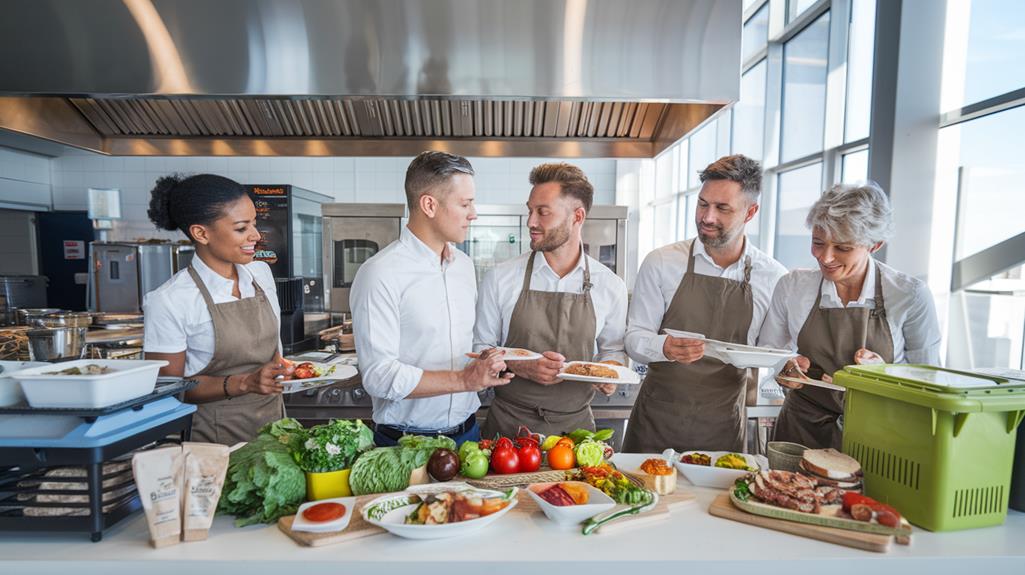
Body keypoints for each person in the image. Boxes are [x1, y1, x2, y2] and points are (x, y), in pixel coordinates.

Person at [623, 155, 788, 453]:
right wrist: (664, 347)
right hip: (656, 422)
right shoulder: (662, 262)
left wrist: (789, 366)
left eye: (722, 208)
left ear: (751, 212)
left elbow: (772, 354)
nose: (707, 217)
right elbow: (634, 338)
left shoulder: (774, 277)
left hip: (722, 426)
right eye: (702, 204)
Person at [759, 182, 941, 450]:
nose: (826, 257)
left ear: (874, 245)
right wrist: (784, 367)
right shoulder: (793, 286)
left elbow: (930, 381)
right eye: (818, 243)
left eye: (843, 248)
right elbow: (769, 350)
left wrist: (884, 376)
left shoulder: (909, 295)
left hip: (879, 436)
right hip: (801, 429)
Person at [350, 151, 512, 447]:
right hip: (403, 444)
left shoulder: (463, 266)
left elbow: (468, 347)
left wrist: (494, 361)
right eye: (465, 204)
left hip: (468, 437)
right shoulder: (379, 273)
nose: (473, 214)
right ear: (429, 205)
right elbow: (379, 376)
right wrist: (465, 380)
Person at [474, 163, 628, 438]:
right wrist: (520, 365)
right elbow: (480, 348)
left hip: (576, 434)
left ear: (577, 216)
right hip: (508, 432)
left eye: (543, 212)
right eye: (530, 210)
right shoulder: (501, 278)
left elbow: (612, 351)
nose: (531, 222)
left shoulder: (610, 285)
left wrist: (611, 372)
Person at [144, 174, 293, 445]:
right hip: (212, 440)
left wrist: (285, 370)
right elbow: (167, 390)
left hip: (275, 431)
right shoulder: (170, 300)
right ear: (201, 233)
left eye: (254, 224)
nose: (256, 235)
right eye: (241, 227)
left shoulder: (260, 274)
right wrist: (246, 382)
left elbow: (274, 354)